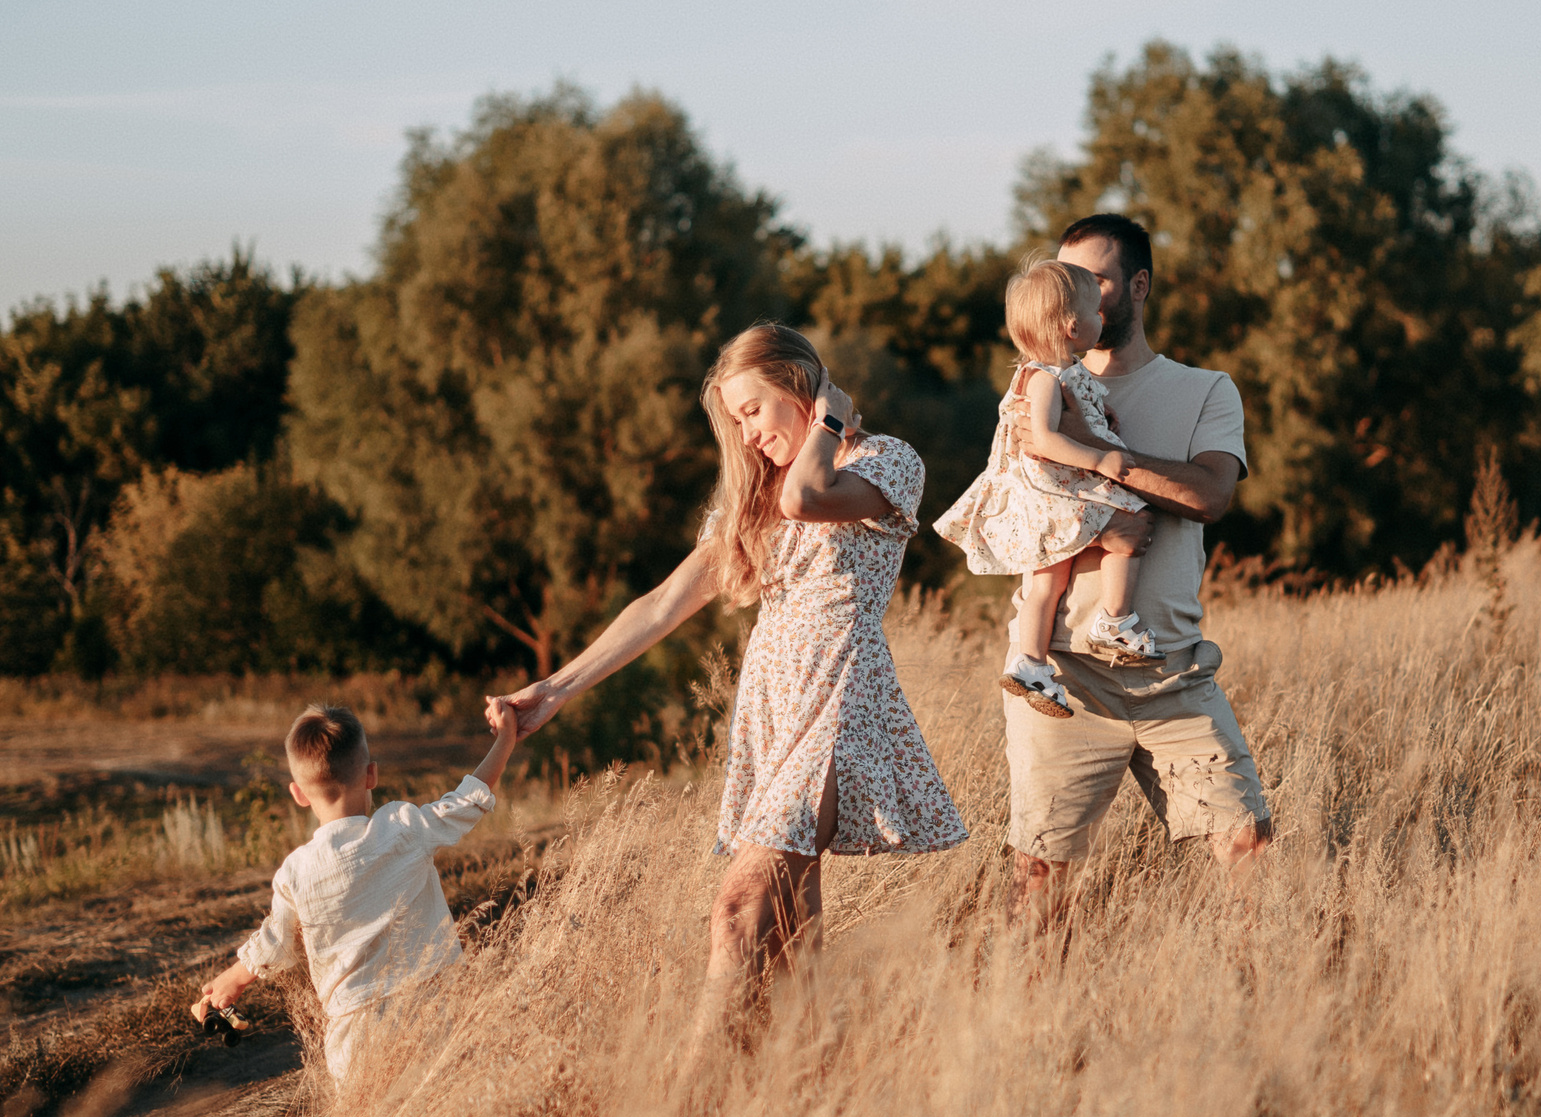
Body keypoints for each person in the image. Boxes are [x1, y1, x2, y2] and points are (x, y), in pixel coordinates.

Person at [498, 324, 964, 1041]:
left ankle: (686, 1109)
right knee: (787, 928)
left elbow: (808, 497)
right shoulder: (755, 497)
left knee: (737, 908)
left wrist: (834, 417)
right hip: (773, 711)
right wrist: (556, 688)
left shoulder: (885, 460)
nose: (745, 435)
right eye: (734, 420)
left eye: (752, 409)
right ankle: (798, 1080)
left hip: (837, 699)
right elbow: (661, 602)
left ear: (799, 385)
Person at [999, 213, 1274, 927]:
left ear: (1137, 286)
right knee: (1040, 883)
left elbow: (1210, 493)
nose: (1072, 294)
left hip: (1172, 674)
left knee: (1247, 849)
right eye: (1063, 278)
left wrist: (1104, 455)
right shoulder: (1039, 392)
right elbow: (1020, 506)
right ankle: (1027, 1030)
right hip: (1067, 676)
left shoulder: (1205, 390)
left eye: (1092, 279)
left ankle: (1260, 1009)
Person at [195, 701, 520, 1083]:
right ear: (371, 775)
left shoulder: (296, 872)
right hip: (437, 1006)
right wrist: (507, 737)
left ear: (298, 793)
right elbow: (467, 799)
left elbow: (276, 942)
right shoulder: (402, 826)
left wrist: (231, 980)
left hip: (355, 1036)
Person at [934, 257, 1158, 718]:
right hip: (1055, 493)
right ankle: (1115, 620)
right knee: (1133, 521)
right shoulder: (1044, 379)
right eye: (1096, 310)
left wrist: (1103, 417)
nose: (1103, 317)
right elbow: (1047, 438)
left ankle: (1030, 663)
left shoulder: (1054, 373)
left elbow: (1080, 410)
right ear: (1073, 326)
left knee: (1046, 584)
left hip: (1045, 496)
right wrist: (1102, 458)